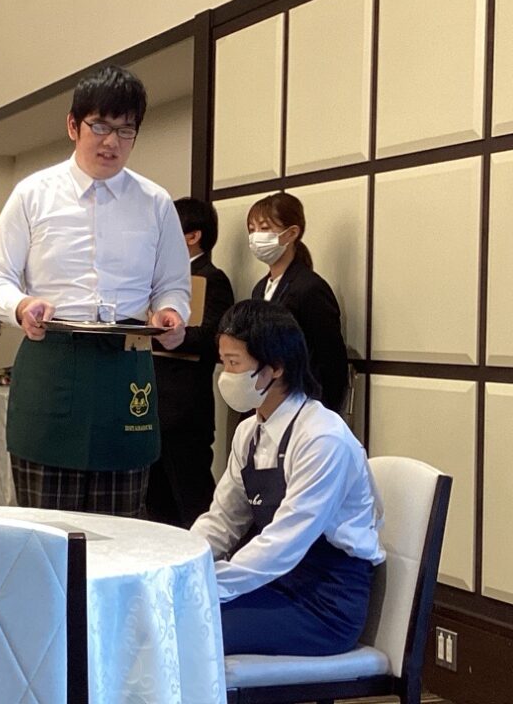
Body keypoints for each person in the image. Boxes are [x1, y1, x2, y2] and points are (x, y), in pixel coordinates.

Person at [0, 64, 191, 517]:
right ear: (73, 126)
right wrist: (21, 305)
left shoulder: (155, 202)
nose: (111, 141)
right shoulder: (32, 194)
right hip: (52, 357)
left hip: (126, 365)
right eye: (100, 126)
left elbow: (173, 286)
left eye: (125, 130)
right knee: (46, 531)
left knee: (122, 530)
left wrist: (172, 314)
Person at [191, 300, 384, 656]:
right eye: (223, 362)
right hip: (277, 583)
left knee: (193, 630)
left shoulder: (322, 438)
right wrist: (182, 564)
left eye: (234, 363)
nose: (226, 375)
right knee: (172, 613)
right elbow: (222, 521)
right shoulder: (248, 433)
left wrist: (207, 583)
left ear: (276, 367)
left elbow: (284, 543)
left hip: (326, 604)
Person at [147, 197, 234, 528]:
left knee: (192, 502)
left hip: (185, 409)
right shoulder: (155, 283)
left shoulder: (212, 278)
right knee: (156, 506)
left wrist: (172, 334)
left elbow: (216, 338)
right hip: (151, 404)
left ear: (192, 236)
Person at [247, 191, 349, 412]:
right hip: (264, 401)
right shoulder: (260, 288)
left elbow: (332, 362)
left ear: (292, 233)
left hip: (301, 403)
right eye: (252, 230)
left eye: (264, 228)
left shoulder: (310, 288)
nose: (256, 237)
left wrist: (322, 413)